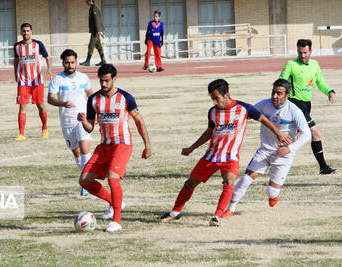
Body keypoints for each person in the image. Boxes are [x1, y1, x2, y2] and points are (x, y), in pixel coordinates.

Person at [158, 79, 292, 227]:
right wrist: (192, 148)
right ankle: (174, 212)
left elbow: (263, 119)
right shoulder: (213, 112)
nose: (214, 102)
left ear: (227, 95)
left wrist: (278, 132)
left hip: (230, 158)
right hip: (211, 156)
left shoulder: (244, 109)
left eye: (216, 98)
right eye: (212, 99)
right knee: (190, 183)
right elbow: (209, 132)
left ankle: (217, 216)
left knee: (229, 180)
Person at [77, 64, 151, 232]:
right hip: (104, 147)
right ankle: (114, 202)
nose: (103, 84)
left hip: (122, 145)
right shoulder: (94, 100)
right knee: (84, 180)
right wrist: (84, 122)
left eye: (107, 81)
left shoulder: (126, 98)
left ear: (114, 79)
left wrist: (147, 145)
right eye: (101, 81)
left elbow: (139, 121)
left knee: (112, 177)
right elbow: (90, 128)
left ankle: (116, 221)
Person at [222, 79, 311, 218]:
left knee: (272, 192)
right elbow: (248, 112)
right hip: (264, 150)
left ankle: (274, 194)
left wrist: (289, 149)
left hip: (284, 155)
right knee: (245, 179)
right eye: (273, 92)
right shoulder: (264, 104)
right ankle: (230, 208)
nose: (274, 96)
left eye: (279, 93)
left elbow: (307, 134)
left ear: (287, 96)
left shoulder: (294, 110)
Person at [279, 39, 337, 174]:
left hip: (306, 105)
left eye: (305, 52)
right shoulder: (290, 65)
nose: (303, 55)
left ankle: (273, 160)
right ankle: (323, 167)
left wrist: (329, 91)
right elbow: (281, 82)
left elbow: (321, 82)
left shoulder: (315, 65)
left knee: (292, 136)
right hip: (294, 103)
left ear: (311, 51)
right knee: (315, 132)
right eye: (300, 52)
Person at [47, 49, 93, 196]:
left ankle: (86, 184)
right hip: (67, 121)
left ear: (76, 62)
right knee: (77, 154)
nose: (70, 65)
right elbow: (50, 98)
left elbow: (90, 95)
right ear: (63, 63)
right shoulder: (57, 80)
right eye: (67, 62)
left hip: (82, 118)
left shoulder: (83, 78)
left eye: (72, 62)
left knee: (85, 150)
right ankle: (88, 177)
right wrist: (63, 103)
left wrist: (93, 115)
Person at [13, 22, 52, 141]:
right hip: (23, 82)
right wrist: (15, 73)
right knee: (22, 107)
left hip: (37, 81)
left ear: (31, 32)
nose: (26, 33)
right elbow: (16, 60)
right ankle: (21, 134)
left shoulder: (38, 44)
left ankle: (44, 128)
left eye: (28, 31)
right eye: (23, 31)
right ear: (21, 32)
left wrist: (49, 69)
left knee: (40, 105)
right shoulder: (17, 46)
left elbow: (47, 56)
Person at [80, 0, 106, 67]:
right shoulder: (92, 7)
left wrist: (98, 30)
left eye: (87, 1)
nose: (86, 2)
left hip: (95, 30)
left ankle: (88, 61)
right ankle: (103, 60)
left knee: (91, 45)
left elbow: (96, 20)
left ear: (90, 0)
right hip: (95, 30)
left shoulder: (94, 8)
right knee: (98, 45)